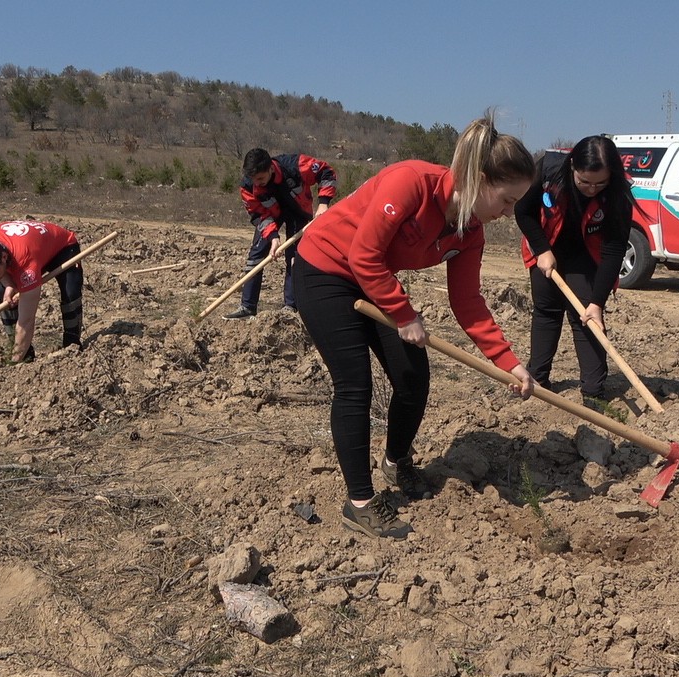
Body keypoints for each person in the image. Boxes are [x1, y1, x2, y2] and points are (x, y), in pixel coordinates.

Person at [293, 111, 537, 540]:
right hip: (324, 268)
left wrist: (510, 364)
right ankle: (360, 504)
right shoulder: (411, 183)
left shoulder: (470, 231)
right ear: (480, 180)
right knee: (355, 384)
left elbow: (468, 302)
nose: (508, 212)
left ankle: (396, 461)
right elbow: (363, 255)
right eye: (506, 200)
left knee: (412, 375)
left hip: (372, 278)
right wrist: (404, 315)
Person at [514, 135, 640, 407]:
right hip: (547, 246)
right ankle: (538, 381)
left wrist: (597, 302)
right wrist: (542, 249)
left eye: (600, 183)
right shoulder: (548, 171)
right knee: (546, 310)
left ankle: (593, 393)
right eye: (584, 181)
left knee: (586, 317)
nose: (592, 189)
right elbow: (523, 211)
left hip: (587, 255)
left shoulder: (618, 194)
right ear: (572, 166)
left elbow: (614, 250)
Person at [222, 148, 337, 319]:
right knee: (256, 254)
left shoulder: (294, 165)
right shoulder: (247, 185)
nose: (257, 183)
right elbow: (258, 215)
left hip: (298, 212)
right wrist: (273, 237)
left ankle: (290, 307)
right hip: (270, 215)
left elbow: (325, 171)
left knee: (294, 257)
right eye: (253, 179)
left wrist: (323, 203)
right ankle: (247, 307)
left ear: (270, 168)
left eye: (260, 179)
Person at [0, 220, 83, 364]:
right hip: (29, 248)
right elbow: (2, 271)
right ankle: (24, 353)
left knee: (70, 291)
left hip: (62, 248)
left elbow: (26, 321)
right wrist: (8, 284)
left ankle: (72, 344)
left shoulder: (26, 265)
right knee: (2, 296)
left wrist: (14, 363)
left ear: (3, 257)